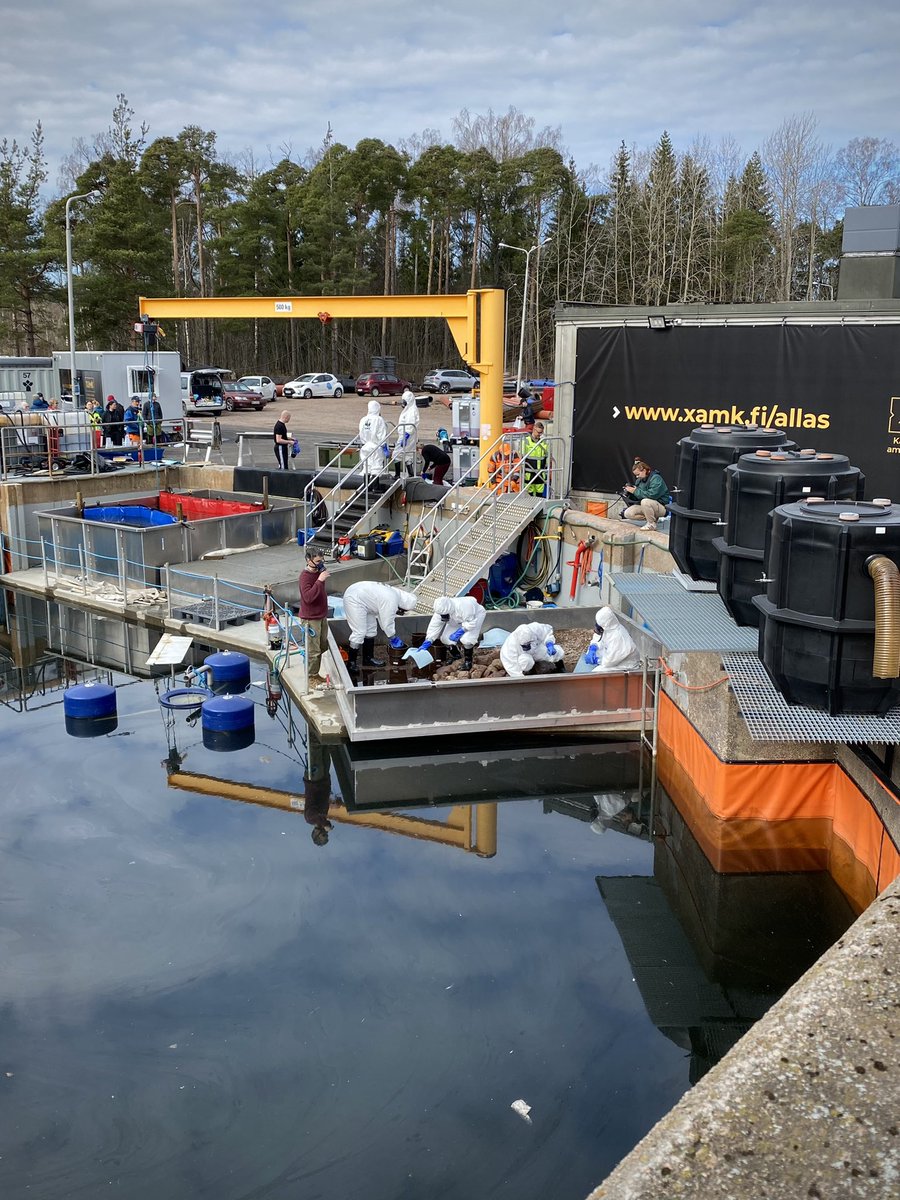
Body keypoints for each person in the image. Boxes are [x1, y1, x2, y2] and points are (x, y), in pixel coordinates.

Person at [342, 581, 417, 673]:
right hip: (354, 598)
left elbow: (383, 618)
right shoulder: (391, 600)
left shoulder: (396, 594)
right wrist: (392, 637)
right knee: (359, 632)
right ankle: (351, 663)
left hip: (364, 600)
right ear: (402, 606)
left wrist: (390, 633)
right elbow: (387, 622)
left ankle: (368, 659)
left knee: (371, 630)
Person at [420, 595, 486, 671]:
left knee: (467, 639)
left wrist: (460, 632)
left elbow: (471, 623)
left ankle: (468, 662)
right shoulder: (440, 610)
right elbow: (434, 626)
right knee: (445, 639)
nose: (443, 616)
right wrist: (429, 640)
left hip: (475, 617)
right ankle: (456, 656)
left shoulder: (464, 606)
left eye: (445, 615)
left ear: (449, 609)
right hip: (456, 620)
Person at [298, 547, 330, 679]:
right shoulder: (305, 577)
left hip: (321, 615)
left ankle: (315, 673)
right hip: (311, 618)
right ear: (308, 560)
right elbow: (308, 598)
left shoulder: (318, 572)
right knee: (313, 650)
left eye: (321, 561)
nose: (320, 564)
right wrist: (319, 581)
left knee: (322, 646)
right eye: (317, 561)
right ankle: (311, 677)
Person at [583, 606, 641, 673]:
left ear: (605, 624)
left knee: (595, 673)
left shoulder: (618, 636)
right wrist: (593, 647)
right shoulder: (608, 628)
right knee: (596, 653)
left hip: (625, 664)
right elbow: (598, 636)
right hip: (612, 656)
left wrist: (597, 660)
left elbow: (610, 661)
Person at [499, 622, 565, 678]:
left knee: (559, 652)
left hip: (537, 649)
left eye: (528, 643)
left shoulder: (535, 628)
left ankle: (559, 667)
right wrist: (520, 677)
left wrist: (549, 644)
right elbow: (510, 665)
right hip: (523, 656)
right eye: (525, 645)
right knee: (526, 661)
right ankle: (528, 672)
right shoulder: (510, 645)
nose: (527, 646)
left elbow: (547, 632)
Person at [622, 457, 671, 530]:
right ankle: (651, 518)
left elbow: (652, 495)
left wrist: (635, 491)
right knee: (627, 513)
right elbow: (638, 497)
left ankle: (651, 524)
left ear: (644, 470)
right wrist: (630, 493)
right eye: (636, 475)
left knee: (645, 501)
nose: (637, 477)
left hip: (661, 507)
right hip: (647, 506)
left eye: (638, 474)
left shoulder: (656, 478)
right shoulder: (639, 480)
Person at [303, 731, 333, 846]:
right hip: (323, 779)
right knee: (325, 751)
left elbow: (314, 812)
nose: (325, 833)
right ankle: (323, 731)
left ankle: (312, 728)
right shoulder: (322, 816)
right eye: (326, 835)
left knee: (315, 749)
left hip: (314, 781)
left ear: (316, 833)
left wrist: (325, 823)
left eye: (323, 835)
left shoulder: (310, 819)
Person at [391, 388, 420, 477]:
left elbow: (410, 424)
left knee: (396, 454)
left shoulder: (411, 411)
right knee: (407, 454)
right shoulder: (410, 409)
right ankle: (411, 474)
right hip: (408, 435)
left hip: (407, 435)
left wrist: (406, 436)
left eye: (404, 400)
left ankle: (397, 474)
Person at [358, 400, 388, 477]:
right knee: (376, 468)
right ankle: (375, 488)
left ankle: (364, 486)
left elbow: (361, 433)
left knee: (366, 466)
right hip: (376, 447)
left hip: (366, 446)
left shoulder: (363, 419)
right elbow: (381, 434)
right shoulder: (379, 419)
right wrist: (384, 447)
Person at [521, 420, 549, 496]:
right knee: (529, 493)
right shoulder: (526, 441)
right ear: (534, 429)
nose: (539, 435)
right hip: (529, 473)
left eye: (541, 433)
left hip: (540, 473)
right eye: (538, 432)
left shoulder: (544, 442)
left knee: (539, 493)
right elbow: (521, 457)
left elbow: (546, 458)